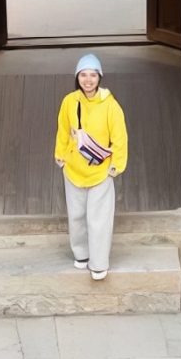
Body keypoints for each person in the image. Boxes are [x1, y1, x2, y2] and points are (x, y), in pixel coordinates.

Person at [55, 52, 127, 279]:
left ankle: (98, 263)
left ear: (100, 77)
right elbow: (63, 130)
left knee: (99, 219)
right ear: (77, 77)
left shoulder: (111, 105)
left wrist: (116, 165)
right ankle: (81, 254)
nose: (88, 80)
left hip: (100, 170)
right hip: (74, 168)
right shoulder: (69, 101)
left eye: (93, 75)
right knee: (76, 215)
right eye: (83, 75)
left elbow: (120, 138)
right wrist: (61, 155)